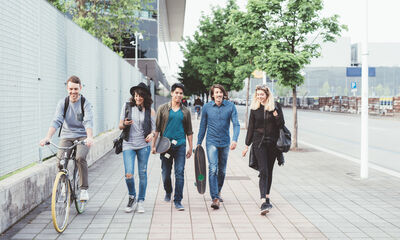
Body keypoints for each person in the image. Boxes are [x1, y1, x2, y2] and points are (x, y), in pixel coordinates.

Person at [39, 75, 94, 201]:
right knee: (60, 162)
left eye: (75, 89)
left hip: (82, 136)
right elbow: (56, 121)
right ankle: (64, 184)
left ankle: (84, 189)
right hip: (66, 135)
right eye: (71, 89)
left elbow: (88, 122)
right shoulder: (63, 103)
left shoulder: (85, 103)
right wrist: (48, 137)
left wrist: (89, 137)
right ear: (67, 89)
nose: (73, 92)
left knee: (80, 157)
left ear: (80, 88)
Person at [242, 84, 284, 215]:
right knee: (264, 171)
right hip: (259, 144)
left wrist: (276, 116)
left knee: (269, 171)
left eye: (262, 94)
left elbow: (281, 125)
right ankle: (263, 201)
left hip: (272, 144)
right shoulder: (255, 108)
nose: (260, 97)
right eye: (258, 94)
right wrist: (246, 145)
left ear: (267, 95)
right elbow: (251, 128)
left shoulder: (275, 106)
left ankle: (267, 196)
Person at [197, 84, 240, 210]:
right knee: (213, 168)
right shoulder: (206, 107)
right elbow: (202, 126)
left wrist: (235, 140)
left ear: (223, 94)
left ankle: (218, 190)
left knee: (222, 170)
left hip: (225, 142)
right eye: (216, 92)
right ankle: (215, 197)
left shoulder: (230, 106)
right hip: (212, 142)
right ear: (212, 95)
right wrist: (199, 143)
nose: (219, 94)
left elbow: (236, 124)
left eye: (221, 92)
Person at [151, 83, 193, 211]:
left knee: (179, 172)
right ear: (172, 93)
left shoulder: (185, 111)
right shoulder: (163, 109)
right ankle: (168, 191)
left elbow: (189, 131)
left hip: (180, 146)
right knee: (166, 173)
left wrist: (190, 147)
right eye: (176, 93)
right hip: (165, 146)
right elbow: (157, 129)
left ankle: (178, 200)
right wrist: (154, 146)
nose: (179, 95)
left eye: (181, 93)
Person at [119, 82, 156, 213]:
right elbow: (119, 126)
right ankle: (132, 196)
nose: (138, 98)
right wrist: (124, 123)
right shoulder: (127, 106)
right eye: (136, 96)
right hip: (128, 144)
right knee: (129, 174)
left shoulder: (150, 110)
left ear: (145, 97)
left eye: (140, 96)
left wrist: (151, 135)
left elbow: (154, 129)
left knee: (143, 174)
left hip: (143, 145)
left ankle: (141, 200)